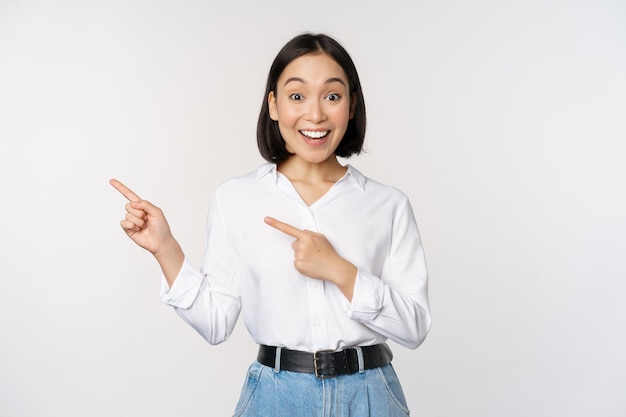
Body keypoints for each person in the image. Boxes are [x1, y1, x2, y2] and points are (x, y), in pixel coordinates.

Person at [111, 32, 431, 417]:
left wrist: (341, 272)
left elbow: (414, 328)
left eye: (332, 96)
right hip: (276, 397)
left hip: (369, 396)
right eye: (297, 96)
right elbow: (215, 323)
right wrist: (166, 250)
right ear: (274, 105)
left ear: (351, 105)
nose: (315, 115)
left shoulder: (387, 204)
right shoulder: (235, 198)